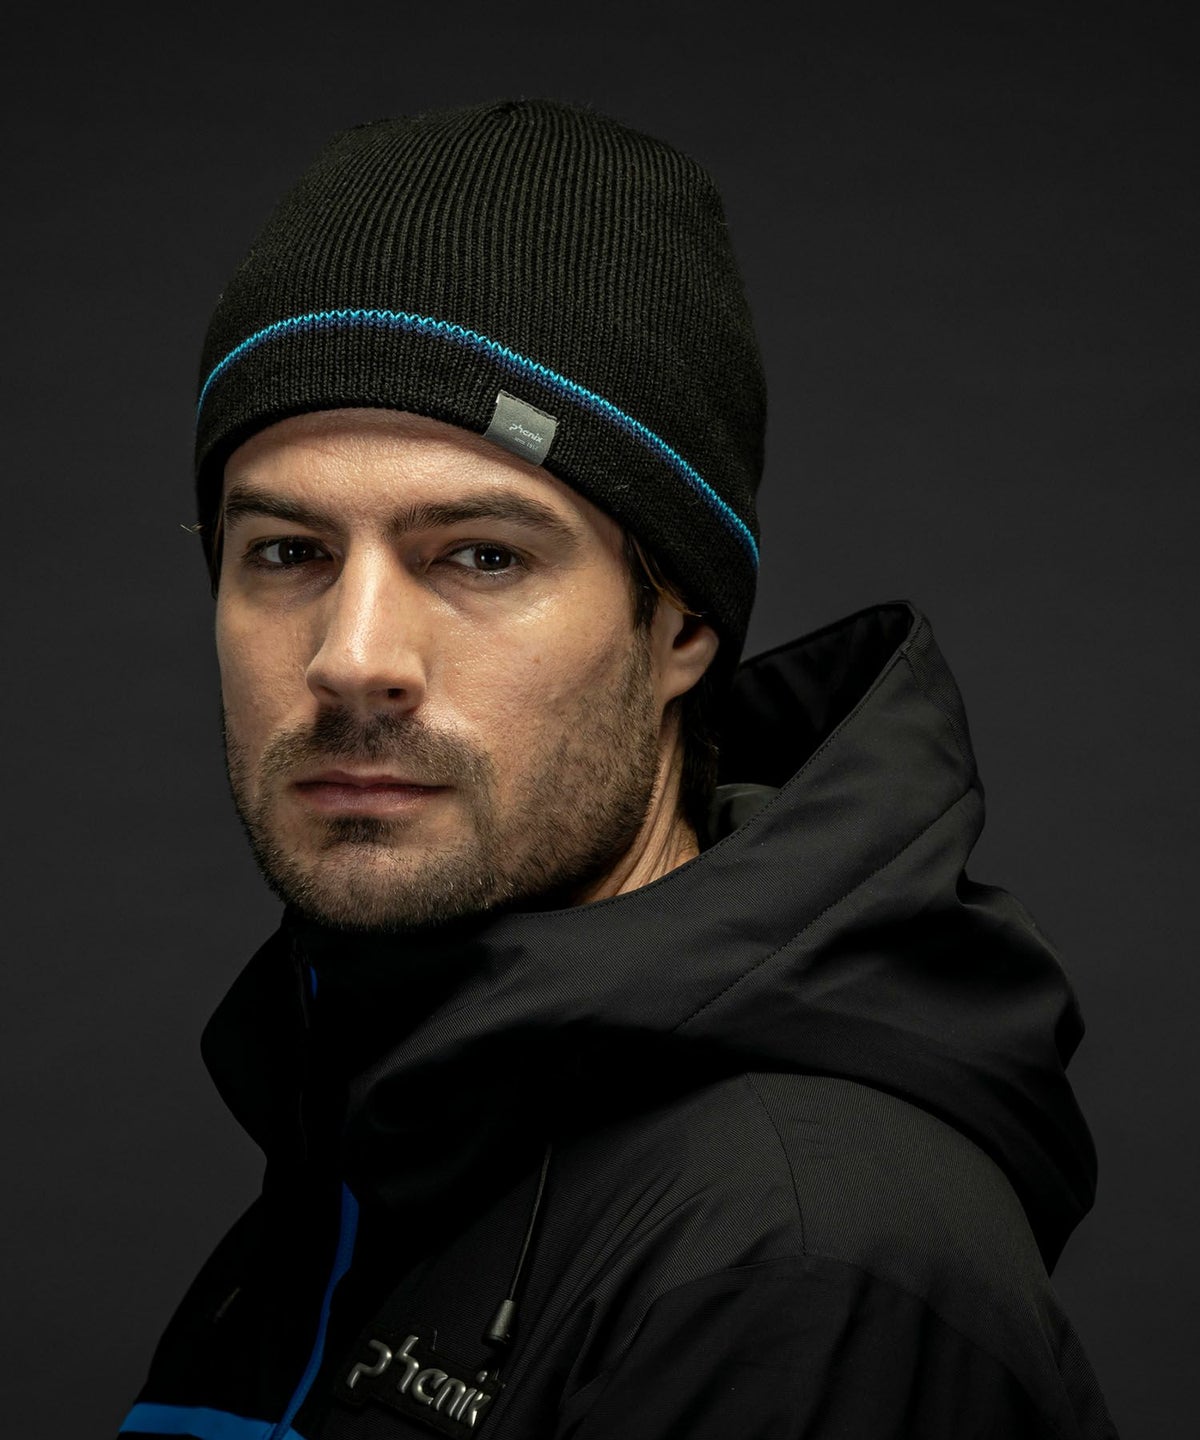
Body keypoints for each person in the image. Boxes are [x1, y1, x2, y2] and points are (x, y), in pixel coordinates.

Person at [119, 100, 1117, 1439]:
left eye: (482, 556)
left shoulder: (799, 1262)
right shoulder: (375, 1126)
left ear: (682, 625)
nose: (353, 659)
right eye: (287, 553)